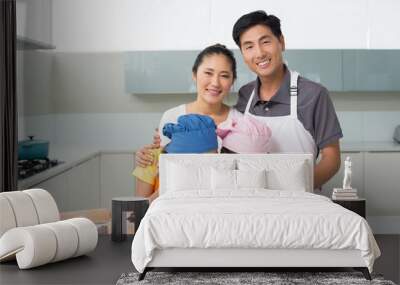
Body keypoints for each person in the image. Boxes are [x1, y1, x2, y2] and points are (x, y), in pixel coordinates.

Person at [231, 10, 343, 189]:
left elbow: (332, 159)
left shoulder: (313, 94)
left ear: (281, 42)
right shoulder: (245, 95)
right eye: (249, 46)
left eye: (265, 42)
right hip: (252, 202)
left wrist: (299, 188)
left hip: (300, 204)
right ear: (243, 54)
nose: (259, 53)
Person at [135, 43, 241, 166]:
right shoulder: (173, 117)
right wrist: (147, 159)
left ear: (232, 81)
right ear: (194, 74)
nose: (215, 83)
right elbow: (162, 166)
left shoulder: (240, 122)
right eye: (208, 73)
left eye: (224, 76)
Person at [133, 114, 218, 203]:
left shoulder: (221, 164)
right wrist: (165, 189)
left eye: (210, 157)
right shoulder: (151, 159)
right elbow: (139, 211)